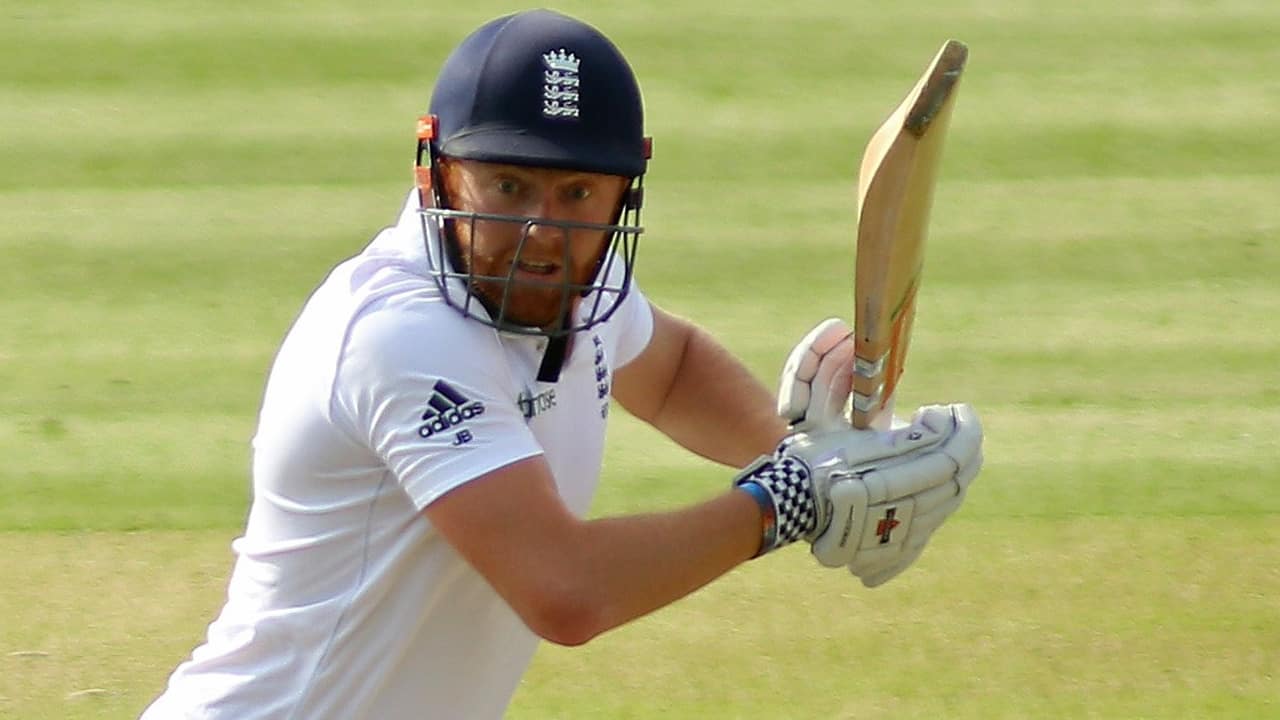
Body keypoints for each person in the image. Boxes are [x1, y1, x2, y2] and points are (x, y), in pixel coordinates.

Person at [140, 9, 983, 719]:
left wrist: (814, 453)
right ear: (435, 175)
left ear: (621, 195)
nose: (544, 231)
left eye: (577, 193)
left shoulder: (578, 283)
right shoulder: (400, 337)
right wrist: (786, 501)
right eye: (508, 186)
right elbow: (567, 592)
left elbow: (673, 368)